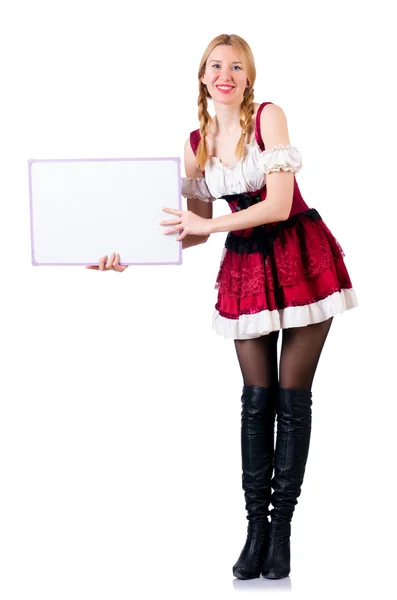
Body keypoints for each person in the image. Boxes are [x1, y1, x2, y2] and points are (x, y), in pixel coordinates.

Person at [87, 33, 358, 580]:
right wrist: (129, 256)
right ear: (203, 77)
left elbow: (279, 204)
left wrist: (209, 221)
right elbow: (192, 232)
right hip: (246, 270)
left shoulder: (269, 118)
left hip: (300, 259)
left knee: (292, 397)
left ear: (248, 74)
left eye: (236, 65)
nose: (225, 74)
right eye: (215, 65)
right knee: (255, 400)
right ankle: (254, 532)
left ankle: (281, 534)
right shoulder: (195, 143)